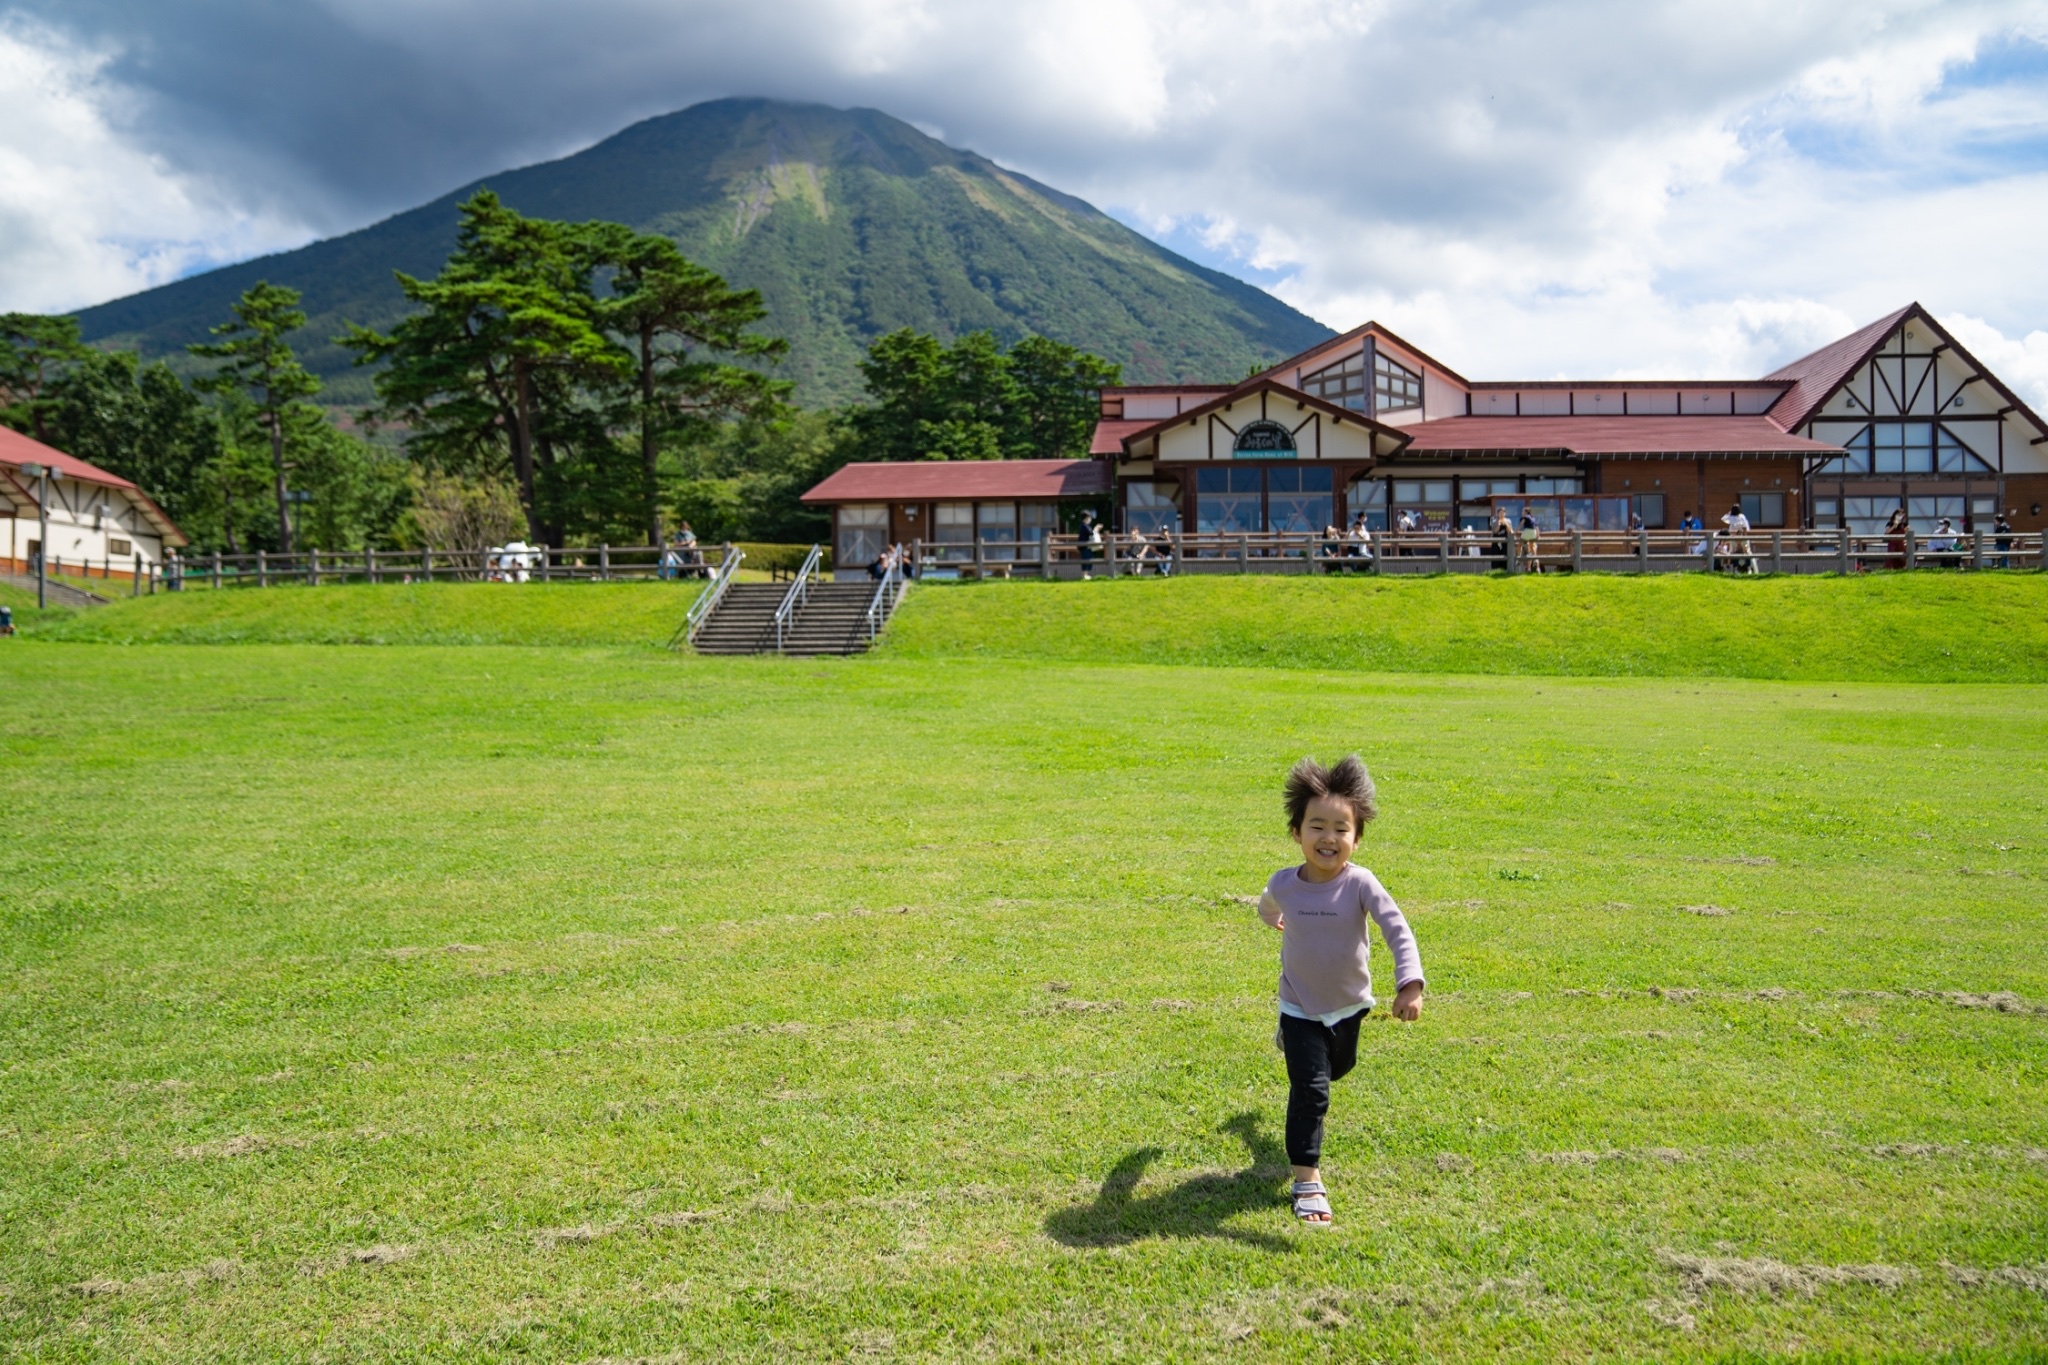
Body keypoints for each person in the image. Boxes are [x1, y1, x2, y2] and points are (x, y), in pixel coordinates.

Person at [1255, 756, 1424, 1226]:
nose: (1328, 838)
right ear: (1297, 833)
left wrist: (1409, 982)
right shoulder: (1284, 884)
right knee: (1311, 1092)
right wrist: (1275, 920)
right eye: (1317, 826)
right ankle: (1307, 1180)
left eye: (1341, 829)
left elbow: (1397, 930)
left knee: (1338, 1069)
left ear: (1356, 837)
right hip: (1299, 1005)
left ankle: (1298, 1049)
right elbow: (1266, 906)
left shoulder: (1361, 883)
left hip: (1349, 1006)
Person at [1720, 502, 1754, 574]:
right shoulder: (1742, 516)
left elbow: (1723, 518)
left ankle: (1735, 569)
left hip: (1734, 538)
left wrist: (1728, 513)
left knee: (1735, 553)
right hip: (1742, 537)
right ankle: (1748, 569)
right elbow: (1746, 528)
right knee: (1746, 552)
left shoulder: (1731, 517)